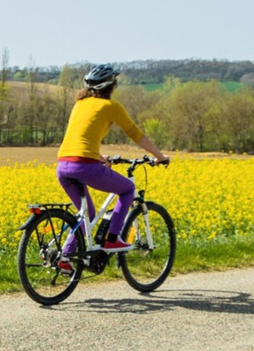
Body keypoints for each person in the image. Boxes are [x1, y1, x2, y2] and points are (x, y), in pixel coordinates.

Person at [55, 64, 169, 272]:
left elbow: (79, 138)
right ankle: (112, 239)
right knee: (127, 189)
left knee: (87, 213)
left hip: (63, 165)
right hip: (85, 166)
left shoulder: (79, 104)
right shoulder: (111, 106)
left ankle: (65, 257)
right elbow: (136, 134)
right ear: (111, 86)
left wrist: (99, 157)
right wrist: (160, 157)